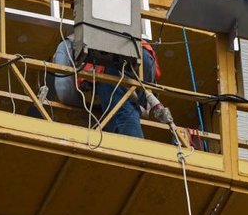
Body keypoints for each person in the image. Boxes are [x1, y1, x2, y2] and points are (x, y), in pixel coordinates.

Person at [49, 34, 179, 143]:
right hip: (144, 56)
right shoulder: (119, 31)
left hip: (113, 63)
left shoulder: (68, 43)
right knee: (127, 109)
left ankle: (133, 160)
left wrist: (91, 107)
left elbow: (65, 92)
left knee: (121, 114)